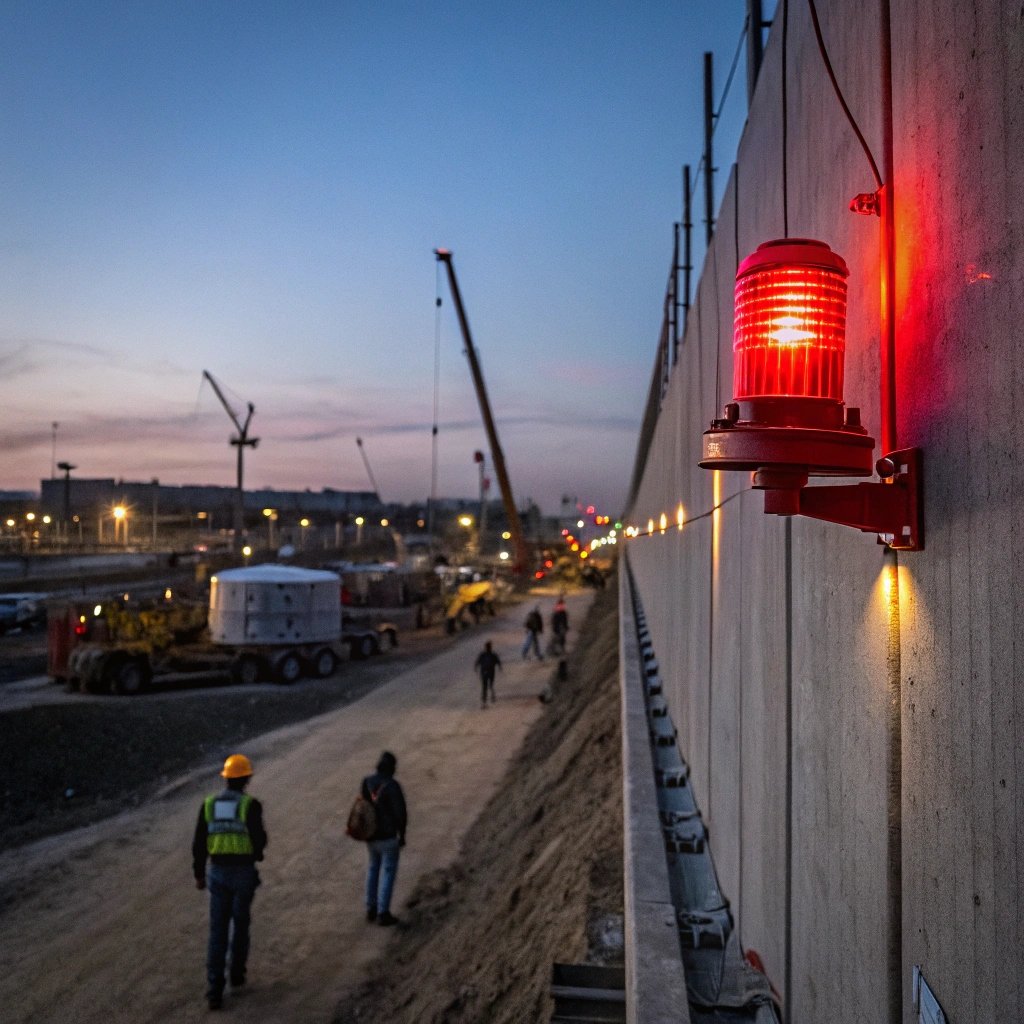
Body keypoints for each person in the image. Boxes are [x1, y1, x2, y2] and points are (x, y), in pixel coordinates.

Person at [192, 753, 267, 1011]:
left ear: (226, 779)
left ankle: (214, 989)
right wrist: (256, 854)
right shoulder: (250, 805)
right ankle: (237, 974)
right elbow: (260, 840)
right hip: (243, 873)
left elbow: (199, 843)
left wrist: (199, 874)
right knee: (241, 924)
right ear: (246, 778)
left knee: (218, 931)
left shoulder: (209, 804)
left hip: (218, 873)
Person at [361, 751, 407, 927]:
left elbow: (364, 807)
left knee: (373, 869)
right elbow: (400, 814)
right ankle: (383, 912)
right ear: (392, 768)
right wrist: (402, 835)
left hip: (371, 836)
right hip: (388, 837)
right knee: (387, 872)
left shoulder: (366, 782)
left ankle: (370, 908)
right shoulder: (393, 785)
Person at [474, 640, 503, 706]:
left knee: (486, 685)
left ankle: (485, 699)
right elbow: (498, 661)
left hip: (485, 671)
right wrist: (500, 667)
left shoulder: (484, 655)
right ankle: (489, 697)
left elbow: (477, 662)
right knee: (490, 684)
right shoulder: (492, 654)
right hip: (489, 671)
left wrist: (475, 667)